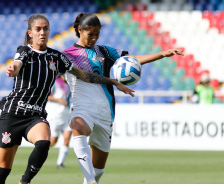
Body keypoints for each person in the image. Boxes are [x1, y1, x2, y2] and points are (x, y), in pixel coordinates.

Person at [0, 13, 135, 184]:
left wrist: (112, 81)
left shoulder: (57, 58)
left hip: (35, 116)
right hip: (12, 114)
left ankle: (25, 181)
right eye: (38, 29)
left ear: (49, 31)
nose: (42, 32)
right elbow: (17, 62)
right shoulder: (25, 51)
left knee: (44, 143)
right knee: (2, 171)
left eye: (45, 29)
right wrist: (13, 68)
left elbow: (84, 75)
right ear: (30, 33)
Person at [62, 12, 184, 184]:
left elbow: (131, 59)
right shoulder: (67, 55)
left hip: (105, 113)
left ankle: (90, 179)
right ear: (80, 30)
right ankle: (89, 180)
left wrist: (162, 54)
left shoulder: (104, 51)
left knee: (98, 171)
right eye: (91, 35)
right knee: (77, 126)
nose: (94, 38)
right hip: (83, 108)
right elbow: (82, 75)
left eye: (97, 34)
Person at [46, 75, 72, 169]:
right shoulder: (55, 83)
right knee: (53, 142)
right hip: (55, 115)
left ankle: (60, 163)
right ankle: (40, 147)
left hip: (66, 114)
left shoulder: (69, 84)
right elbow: (47, 96)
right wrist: (59, 100)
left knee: (67, 139)